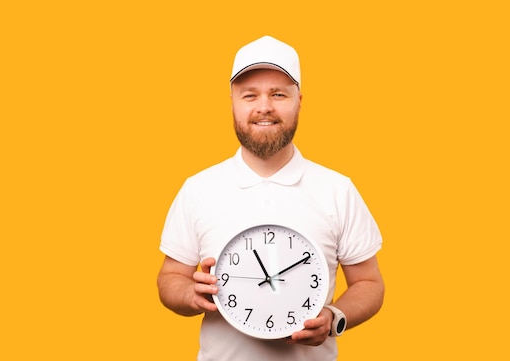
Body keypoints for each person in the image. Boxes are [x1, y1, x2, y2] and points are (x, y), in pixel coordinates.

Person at [156, 35, 384, 360]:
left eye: (278, 94)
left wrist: (334, 318)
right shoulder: (198, 189)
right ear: (233, 101)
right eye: (250, 95)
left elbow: (370, 284)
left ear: (299, 101)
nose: (264, 106)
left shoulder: (338, 189)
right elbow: (170, 278)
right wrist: (188, 294)